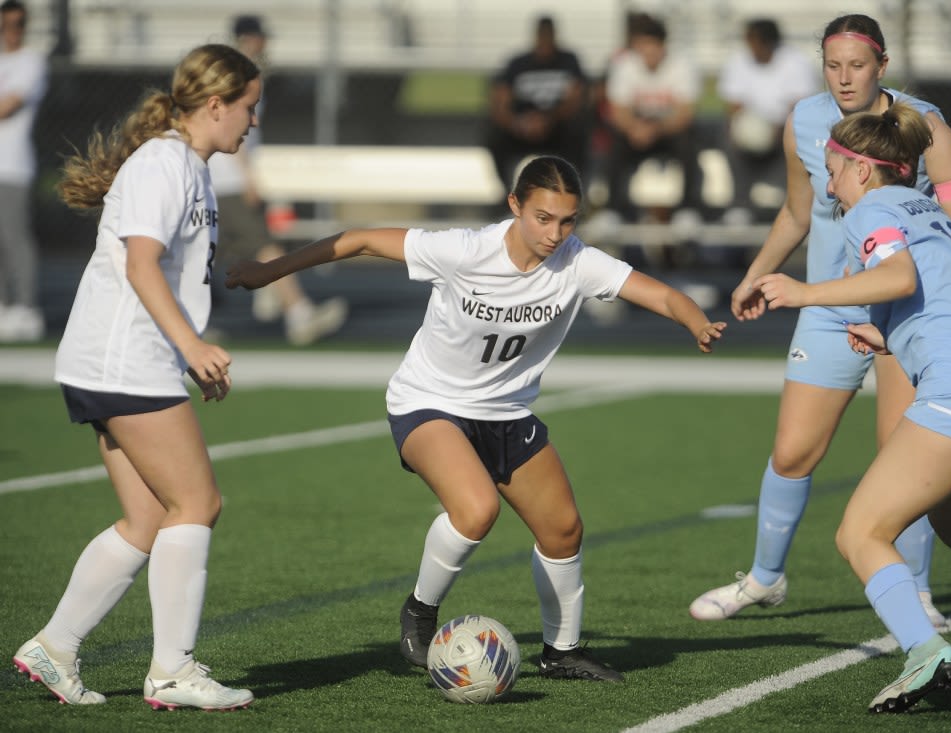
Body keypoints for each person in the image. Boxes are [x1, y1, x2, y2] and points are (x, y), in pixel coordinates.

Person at [226, 155, 727, 683]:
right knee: (476, 509)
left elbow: (661, 294)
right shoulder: (464, 250)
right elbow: (360, 240)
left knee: (563, 531)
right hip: (429, 402)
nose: (555, 233)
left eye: (567, 220)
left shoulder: (579, 263)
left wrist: (695, 323)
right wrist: (268, 271)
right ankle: (420, 612)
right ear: (515, 206)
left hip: (506, 413)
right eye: (542, 217)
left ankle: (561, 651)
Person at [688, 14, 951, 626]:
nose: (844, 78)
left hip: (903, 315)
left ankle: (918, 590)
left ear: (882, 65)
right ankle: (765, 580)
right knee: (792, 452)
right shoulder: (804, 118)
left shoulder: (925, 123)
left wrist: (907, 259)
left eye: (856, 65)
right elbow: (798, 214)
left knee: (904, 460)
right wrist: (755, 274)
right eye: (832, 64)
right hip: (826, 307)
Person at [752, 100, 951, 713]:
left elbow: (898, 278)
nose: (828, 185)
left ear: (864, 170)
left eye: (834, 170)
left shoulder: (870, 210)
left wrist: (805, 293)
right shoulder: (934, 210)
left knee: (860, 532)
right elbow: (942, 294)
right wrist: (887, 334)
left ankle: (926, 652)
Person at [11, 43, 257, 710]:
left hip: (119, 359)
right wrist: (192, 346)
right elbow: (141, 264)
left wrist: (185, 351)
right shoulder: (164, 162)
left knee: (148, 518)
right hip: (124, 360)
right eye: (248, 107)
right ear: (215, 105)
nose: (252, 122)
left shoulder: (191, 167)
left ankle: (54, 648)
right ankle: (172, 669)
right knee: (197, 504)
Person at [208, 14, 347, 346]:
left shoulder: (242, 76)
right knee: (261, 242)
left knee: (216, 249)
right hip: (227, 179)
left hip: (227, 178)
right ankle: (297, 311)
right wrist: (247, 176)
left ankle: (272, 299)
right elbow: (227, 127)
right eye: (257, 38)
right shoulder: (233, 78)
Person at [600, 13, 704, 238]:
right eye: (642, 48)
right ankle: (613, 210)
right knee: (615, 141)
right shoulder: (626, 64)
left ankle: (688, 209)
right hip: (637, 131)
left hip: (667, 131)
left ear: (662, 45)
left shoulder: (681, 64)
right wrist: (635, 128)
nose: (647, 55)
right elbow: (618, 111)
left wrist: (656, 129)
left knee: (688, 141)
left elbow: (685, 113)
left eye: (651, 47)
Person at [716, 18, 818, 226]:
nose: (751, 48)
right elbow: (734, 105)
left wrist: (777, 128)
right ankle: (740, 204)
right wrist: (741, 127)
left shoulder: (795, 62)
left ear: (769, 42)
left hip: (784, 126)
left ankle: (793, 202)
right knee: (727, 136)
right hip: (750, 125)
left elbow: (800, 107)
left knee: (797, 138)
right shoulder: (739, 61)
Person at [484, 15, 588, 192]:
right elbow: (499, 101)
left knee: (579, 132)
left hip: (557, 127)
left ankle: (573, 192)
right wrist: (518, 123)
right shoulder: (518, 64)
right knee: (495, 136)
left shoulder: (568, 61)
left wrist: (548, 120)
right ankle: (506, 195)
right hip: (521, 128)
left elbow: (576, 99)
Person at [0, 0, 46, 342]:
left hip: (12, 165)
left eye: (18, 24)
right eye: (6, 25)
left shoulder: (31, 61)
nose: (12, 32)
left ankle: (26, 307)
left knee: (15, 236)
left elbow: (8, 106)